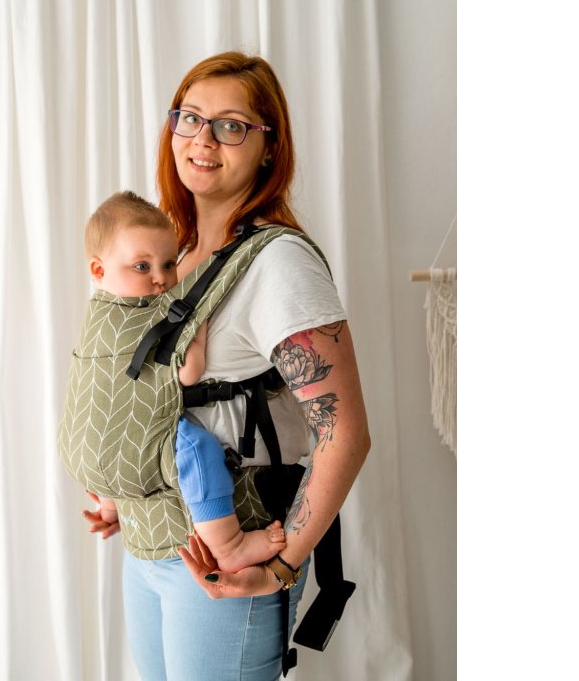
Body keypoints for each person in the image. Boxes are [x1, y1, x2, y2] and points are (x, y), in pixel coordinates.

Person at [81, 51, 372, 681]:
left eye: (231, 125)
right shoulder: (173, 253)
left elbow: (344, 431)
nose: (203, 139)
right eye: (190, 118)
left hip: (231, 554)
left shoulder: (278, 263)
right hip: (153, 543)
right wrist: (124, 486)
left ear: (269, 148)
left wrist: (283, 564)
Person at [82, 190, 287, 573]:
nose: (161, 278)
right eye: (141, 266)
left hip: (94, 445)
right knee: (197, 447)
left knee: (120, 438)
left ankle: (109, 505)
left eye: (169, 264)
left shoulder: (98, 315)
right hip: (132, 441)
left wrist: (111, 505)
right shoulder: (143, 313)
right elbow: (186, 374)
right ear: (98, 270)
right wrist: (197, 326)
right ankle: (229, 545)